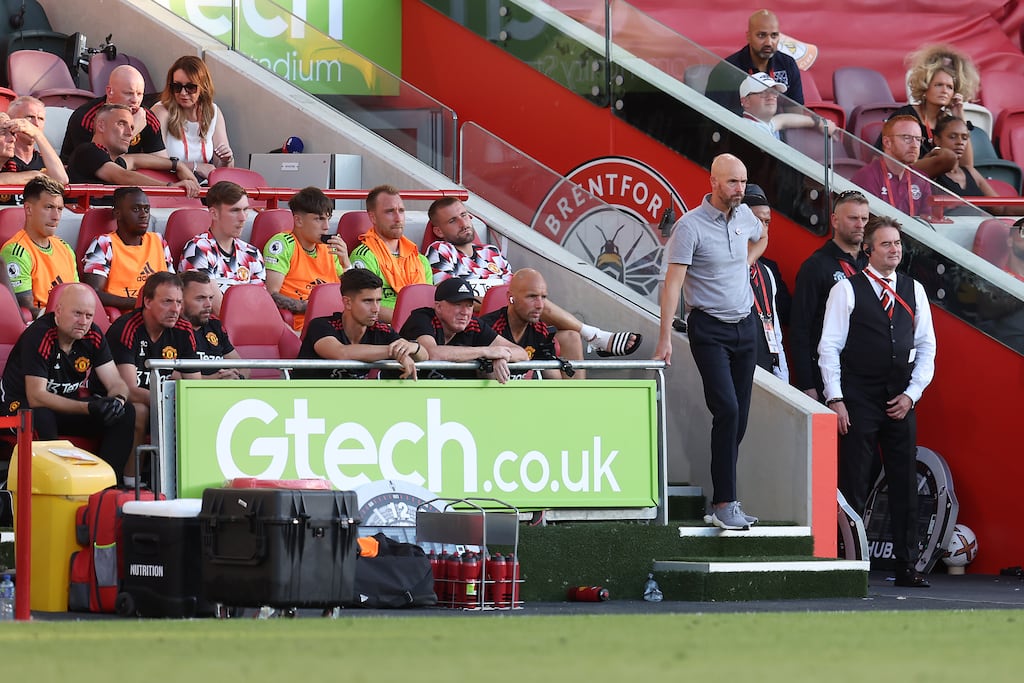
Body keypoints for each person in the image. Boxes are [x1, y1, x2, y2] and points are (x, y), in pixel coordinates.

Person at [818, 216, 936, 588]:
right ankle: (851, 565)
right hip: (858, 399)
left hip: (901, 399)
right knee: (854, 481)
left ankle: (907, 565)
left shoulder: (913, 289)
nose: (895, 249)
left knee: (904, 483)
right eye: (886, 244)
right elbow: (829, 347)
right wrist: (835, 398)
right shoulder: (847, 289)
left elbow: (928, 348)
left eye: (898, 243)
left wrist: (911, 395)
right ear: (868, 250)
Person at [653, 153, 768, 530]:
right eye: (733, 182)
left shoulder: (745, 216)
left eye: (743, 181)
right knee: (728, 411)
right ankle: (724, 502)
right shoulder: (689, 227)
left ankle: (725, 498)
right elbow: (671, 284)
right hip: (710, 329)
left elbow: (762, 235)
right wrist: (665, 336)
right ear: (713, 182)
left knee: (741, 419)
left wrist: (747, 260)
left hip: (746, 327)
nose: (740, 189)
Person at [425, 197, 642, 357]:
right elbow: (450, 301)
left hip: (516, 319)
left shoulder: (492, 252)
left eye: (464, 215)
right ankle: (595, 336)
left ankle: (577, 407)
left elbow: (515, 290)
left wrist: (518, 300)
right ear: (439, 231)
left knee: (569, 336)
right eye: (453, 221)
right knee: (529, 299)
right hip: (480, 326)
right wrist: (512, 300)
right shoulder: (441, 250)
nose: (464, 223)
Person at [0, 283, 135, 481]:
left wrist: (118, 401)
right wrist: (89, 408)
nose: (83, 322)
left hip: (63, 408)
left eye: (89, 316)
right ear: (59, 311)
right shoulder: (39, 335)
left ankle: (105, 487)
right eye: (77, 314)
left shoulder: (93, 334)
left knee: (125, 413)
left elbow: (116, 382)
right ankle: (56, 485)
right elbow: (37, 396)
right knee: (39, 415)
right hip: (19, 408)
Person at [106, 271, 200, 483]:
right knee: (139, 410)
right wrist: (170, 403)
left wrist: (181, 403)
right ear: (147, 301)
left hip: (157, 400)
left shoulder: (184, 329)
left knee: (193, 408)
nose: (175, 309)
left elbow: (194, 385)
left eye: (178, 302)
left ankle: (184, 480)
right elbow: (128, 389)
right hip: (114, 400)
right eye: (167, 302)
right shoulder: (127, 328)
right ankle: (131, 483)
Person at [789, 190, 870, 400]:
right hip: (827, 377)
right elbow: (800, 329)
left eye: (864, 218)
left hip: (866, 377)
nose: (860, 224)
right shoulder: (816, 266)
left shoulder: (872, 264)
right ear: (834, 220)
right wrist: (807, 384)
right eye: (853, 218)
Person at [295, 268, 427, 380]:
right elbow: (341, 353)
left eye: (378, 301)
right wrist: (393, 352)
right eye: (368, 301)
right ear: (347, 302)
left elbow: (424, 356)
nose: (376, 309)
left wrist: (413, 347)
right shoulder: (320, 325)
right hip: (306, 402)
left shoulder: (381, 330)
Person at [399, 277, 528, 383]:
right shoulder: (422, 318)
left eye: (469, 305)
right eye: (457, 304)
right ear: (438, 307)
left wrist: (499, 356)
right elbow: (432, 353)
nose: (465, 312)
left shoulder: (474, 325)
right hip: (404, 394)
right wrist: (486, 352)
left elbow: (522, 354)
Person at [66, 103, 201, 197]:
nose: (130, 133)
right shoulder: (88, 151)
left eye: (131, 127)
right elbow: (124, 176)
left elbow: (135, 160)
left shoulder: (112, 161)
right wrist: (171, 187)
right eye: (121, 124)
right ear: (101, 126)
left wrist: (178, 165)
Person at [263, 186, 348, 331]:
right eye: (319, 219)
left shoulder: (330, 249)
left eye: (328, 219)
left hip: (338, 323)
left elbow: (353, 292)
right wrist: (316, 306)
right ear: (299, 221)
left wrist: (346, 263)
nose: (326, 227)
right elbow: (272, 294)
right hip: (303, 326)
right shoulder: (283, 244)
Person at [179, 180, 266, 314]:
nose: (243, 218)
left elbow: (261, 304)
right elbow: (218, 309)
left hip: (249, 325)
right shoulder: (198, 249)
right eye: (235, 210)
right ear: (214, 213)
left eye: (245, 209)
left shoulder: (252, 253)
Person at [81, 187, 174, 313]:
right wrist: (141, 303)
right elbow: (93, 292)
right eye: (136, 209)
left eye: (146, 209)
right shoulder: (105, 244)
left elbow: (173, 286)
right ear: (117, 213)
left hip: (161, 315)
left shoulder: (158, 240)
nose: (143, 215)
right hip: (124, 318)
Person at [349, 184, 433, 324]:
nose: (398, 218)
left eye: (401, 211)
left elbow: (429, 302)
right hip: (383, 332)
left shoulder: (420, 259)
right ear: (373, 217)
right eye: (390, 211)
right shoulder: (364, 256)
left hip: (421, 329)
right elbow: (365, 306)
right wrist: (412, 322)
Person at [479, 268, 582, 380]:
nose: (540, 305)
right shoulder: (487, 328)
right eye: (532, 297)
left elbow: (554, 382)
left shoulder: (540, 330)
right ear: (511, 298)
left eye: (543, 297)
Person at [0, 176, 78, 317]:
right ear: (28, 209)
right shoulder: (16, 251)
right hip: (40, 329)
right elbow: (25, 311)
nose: (56, 216)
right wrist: (65, 318)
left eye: (60, 209)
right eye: (49, 207)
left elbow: (78, 296)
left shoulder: (65, 247)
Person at [151, 55, 234, 183]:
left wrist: (226, 159)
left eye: (190, 87)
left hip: (206, 187)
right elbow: (156, 162)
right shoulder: (161, 111)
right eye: (177, 87)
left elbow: (221, 169)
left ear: (203, 87)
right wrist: (196, 167)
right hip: (172, 185)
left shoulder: (213, 111)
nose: (183, 93)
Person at [706, 9, 804, 115]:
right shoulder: (726, 70)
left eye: (774, 35)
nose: (769, 42)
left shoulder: (787, 64)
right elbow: (714, 117)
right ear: (748, 37)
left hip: (776, 129)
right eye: (761, 35)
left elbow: (797, 114)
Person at [60, 65, 165, 162]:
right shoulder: (87, 118)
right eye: (128, 93)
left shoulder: (147, 118)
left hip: (128, 176)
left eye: (139, 94)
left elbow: (161, 160)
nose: (135, 100)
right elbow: (97, 165)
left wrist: (177, 166)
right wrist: (133, 131)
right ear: (110, 92)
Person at [742, 187, 789, 381]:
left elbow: (775, 329)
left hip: (768, 370)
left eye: (767, 221)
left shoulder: (766, 272)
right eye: (756, 220)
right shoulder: (725, 266)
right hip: (741, 369)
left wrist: (783, 376)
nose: (762, 228)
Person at [851, 115, 932, 217]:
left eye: (918, 139)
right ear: (887, 142)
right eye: (907, 138)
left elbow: (927, 224)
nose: (914, 145)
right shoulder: (867, 176)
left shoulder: (921, 179)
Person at [180, 271, 247, 379]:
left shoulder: (214, 325)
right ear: (180, 300)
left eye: (210, 298)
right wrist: (214, 381)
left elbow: (244, 368)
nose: (208, 305)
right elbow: (168, 374)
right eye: (200, 298)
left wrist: (237, 379)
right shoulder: (170, 328)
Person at [931, 116, 1001, 204]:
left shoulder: (971, 172)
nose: (960, 142)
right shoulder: (931, 174)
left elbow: (1001, 207)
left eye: (964, 138)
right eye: (952, 137)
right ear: (937, 140)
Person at [0, 96, 68, 186]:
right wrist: (35, 175)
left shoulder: (47, 161)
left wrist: (38, 135)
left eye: (41, 119)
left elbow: (62, 179)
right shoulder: (4, 156)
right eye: (30, 117)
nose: (36, 124)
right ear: (12, 121)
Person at [739, 73, 824, 141]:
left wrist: (819, 122)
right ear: (746, 101)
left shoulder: (763, 123)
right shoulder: (750, 129)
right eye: (763, 92)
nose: (771, 97)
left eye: (774, 92)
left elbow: (783, 120)